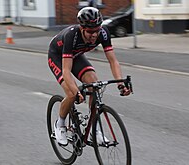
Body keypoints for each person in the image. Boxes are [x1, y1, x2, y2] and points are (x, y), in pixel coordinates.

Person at [48, 7, 131, 146]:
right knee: (71, 93)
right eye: (90, 32)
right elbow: (66, 70)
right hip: (57, 56)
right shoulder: (71, 35)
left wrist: (120, 83)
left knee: (94, 83)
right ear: (82, 28)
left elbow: (113, 60)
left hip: (77, 56)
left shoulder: (103, 33)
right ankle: (60, 124)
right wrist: (75, 91)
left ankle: (95, 129)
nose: (94, 35)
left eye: (97, 30)